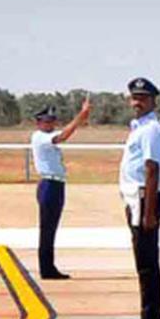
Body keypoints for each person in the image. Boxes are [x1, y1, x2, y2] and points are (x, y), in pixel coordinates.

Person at [119, 77, 160, 319]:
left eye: (142, 98)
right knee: (144, 264)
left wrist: (149, 213)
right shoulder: (138, 127)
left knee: (147, 266)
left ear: (153, 101)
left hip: (143, 200)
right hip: (136, 200)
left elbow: (151, 169)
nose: (136, 102)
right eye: (134, 97)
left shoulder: (151, 129)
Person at [30, 98, 91, 280]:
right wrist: (81, 116)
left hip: (55, 184)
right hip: (49, 184)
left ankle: (48, 266)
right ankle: (46, 268)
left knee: (51, 228)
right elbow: (63, 136)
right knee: (47, 229)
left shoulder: (46, 136)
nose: (50, 124)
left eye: (52, 121)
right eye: (47, 121)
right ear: (39, 122)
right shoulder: (41, 137)